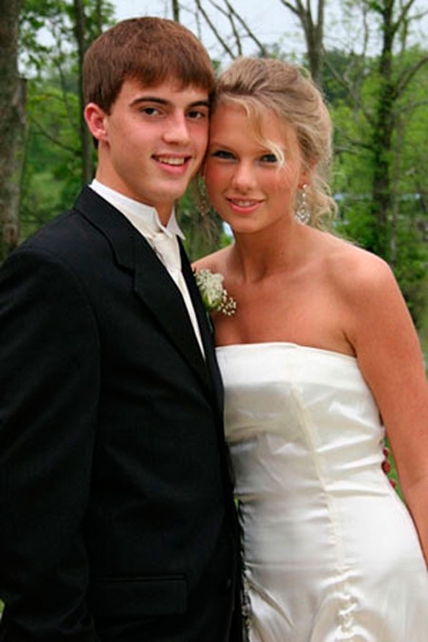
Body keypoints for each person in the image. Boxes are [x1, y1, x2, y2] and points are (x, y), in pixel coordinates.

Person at [0, 18, 242, 642]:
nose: (179, 135)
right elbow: (32, 515)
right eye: (152, 110)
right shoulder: (55, 271)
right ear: (99, 120)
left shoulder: (177, 258)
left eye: (195, 113)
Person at [195, 56, 428, 641]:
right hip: (252, 586)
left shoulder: (359, 281)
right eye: (224, 155)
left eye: (267, 158)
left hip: (361, 573)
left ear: (306, 167)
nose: (242, 180)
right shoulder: (194, 285)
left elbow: (421, 468)